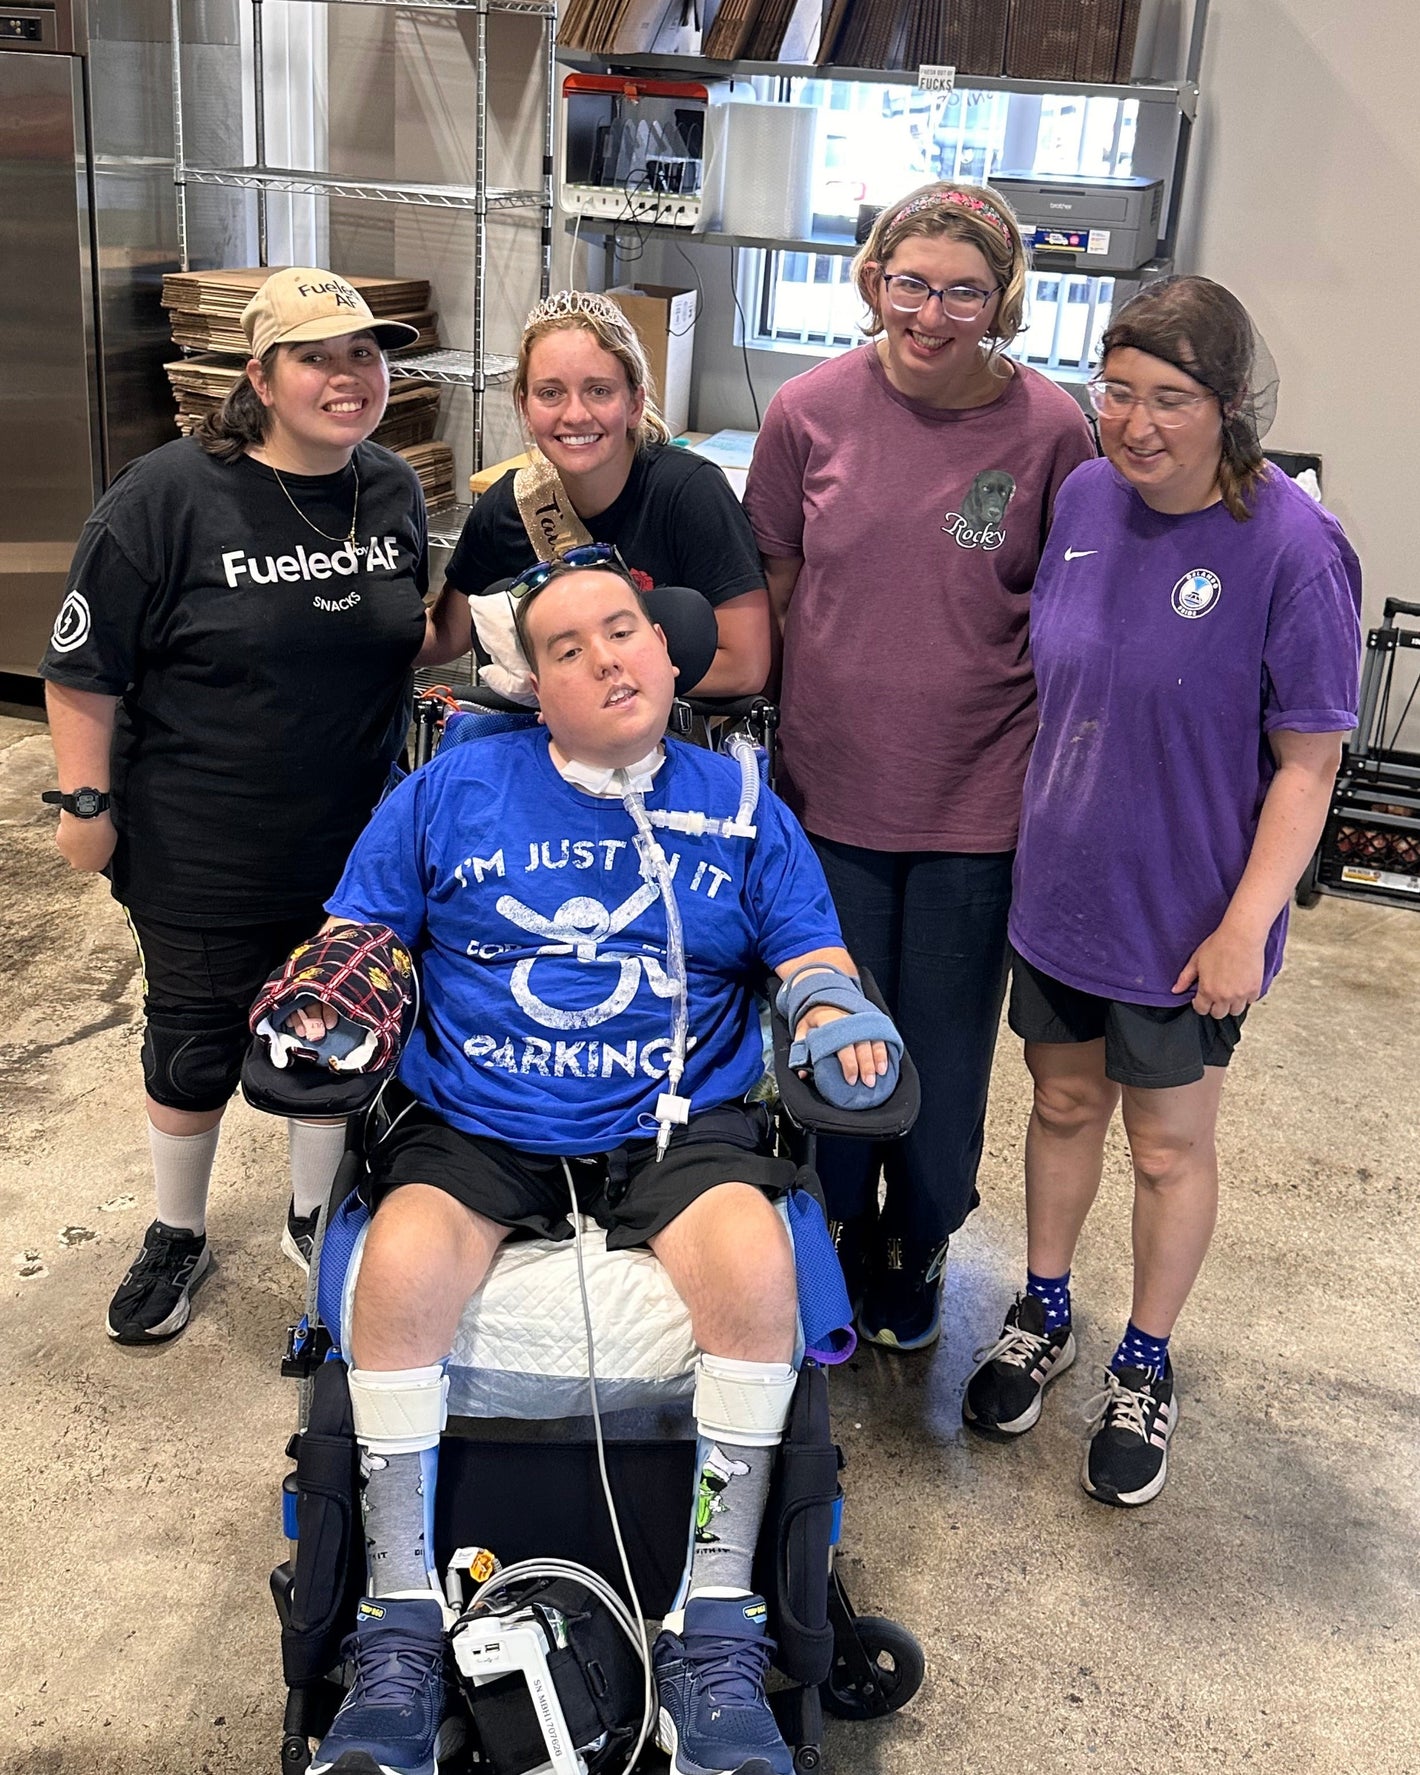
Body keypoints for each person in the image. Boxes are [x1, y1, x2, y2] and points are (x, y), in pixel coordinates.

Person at [267, 559, 899, 1775]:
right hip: (479, 1124)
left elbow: (809, 950)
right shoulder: (449, 790)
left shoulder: (740, 803)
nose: (609, 658)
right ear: (533, 688)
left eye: (626, 634)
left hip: (677, 1128)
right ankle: (399, 1624)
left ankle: (712, 1626)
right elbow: (358, 929)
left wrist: (827, 1009)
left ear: (670, 659)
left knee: (757, 1271)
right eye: (569, 648)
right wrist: (326, 995)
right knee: (396, 1267)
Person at [962, 276, 1362, 1507]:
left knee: (1170, 1142)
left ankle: (1144, 1359)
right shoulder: (1084, 496)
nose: (1135, 423)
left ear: (1229, 404)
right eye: (1117, 391)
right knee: (1063, 1102)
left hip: (1192, 916)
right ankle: (1042, 1310)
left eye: (1169, 399)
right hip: (1065, 888)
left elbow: (1309, 760)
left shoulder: (1292, 544)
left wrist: (1247, 923)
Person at [38, 267, 432, 1345]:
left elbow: (404, 630)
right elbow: (81, 671)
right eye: (317, 356)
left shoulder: (389, 488)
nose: (348, 377)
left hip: (357, 836)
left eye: (365, 354)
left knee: (331, 1029)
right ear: (260, 374)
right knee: (196, 1041)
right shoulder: (163, 498)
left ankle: (316, 1215)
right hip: (201, 835)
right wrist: (86, 798)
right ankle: (175, 1228)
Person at [743, 181, 1096, 1349]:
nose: (931, 313)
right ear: (871, 282)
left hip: (975, 798)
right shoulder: (805, 411)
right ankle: (839, 1229)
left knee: (941, 1049)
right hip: (828, 788)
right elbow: (776, 589)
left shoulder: (1051, 429)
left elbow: (1069, 610)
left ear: (1003, 301)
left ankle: (921, 1233)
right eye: (910, 283)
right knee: (836, 1033)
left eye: (963, 290)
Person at [424, 289, 772, 696]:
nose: (574, 415)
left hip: (659, 738)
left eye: (599, 390)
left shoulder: (688, 493)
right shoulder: (507, 508)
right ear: (524, 405)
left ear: (635, 403)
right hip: (545, 736)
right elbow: (446, 637)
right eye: (550, 393)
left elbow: (744, 665)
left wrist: (589, 688)